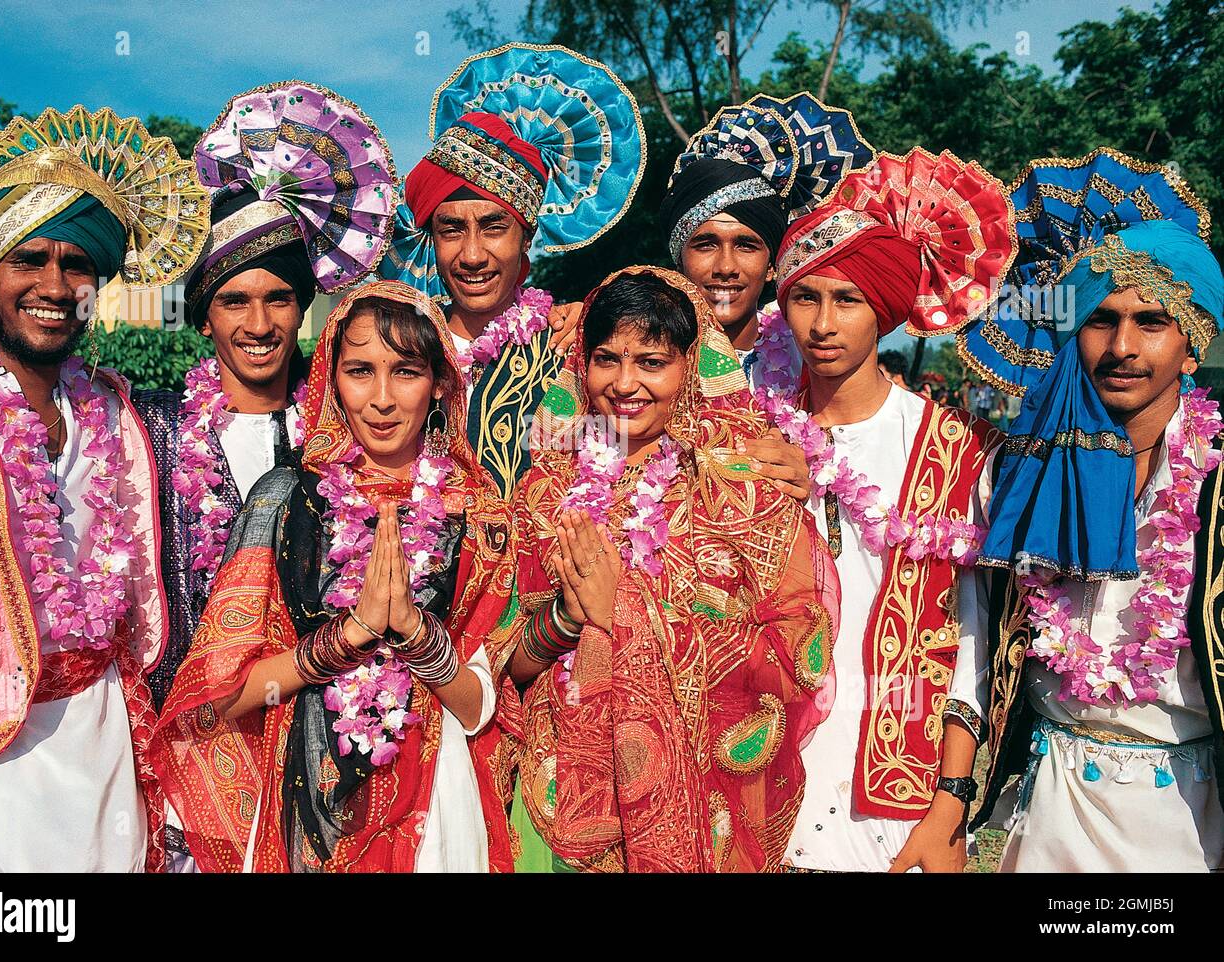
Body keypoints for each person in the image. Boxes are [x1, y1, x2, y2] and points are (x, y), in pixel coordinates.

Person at [0, 108, 209, 871]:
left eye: (78, 264)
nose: (55, 285)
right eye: (30, 259)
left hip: (106, 731)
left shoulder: (114, 409)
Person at [152, 280, 518, 872]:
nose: (381, 399)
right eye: (359, 371)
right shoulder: (284, 501)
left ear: (440, 385)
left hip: (436, 813)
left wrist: (416, 638)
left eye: (405, 372)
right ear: (329, 379)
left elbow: (480, 709)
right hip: (300, 804)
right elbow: (218, 696)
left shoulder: (481, 516)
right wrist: (348, 638)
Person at [504, 266, 840, 872]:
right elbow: (509, 662)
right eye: (606, 359)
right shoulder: (543, 492)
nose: (625, 384)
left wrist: (624, 614)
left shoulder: (741, 487)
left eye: (652, 362)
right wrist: (567, 618)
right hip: (562, 800)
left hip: (703, 801)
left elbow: (792, 652)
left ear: (690, 365)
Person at [955, 148, 1224, 871]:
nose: (1123, 347)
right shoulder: (1018, 475)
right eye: (1101, 320)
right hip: (1048, 810)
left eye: (1153, 323)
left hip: (1189, 819)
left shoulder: (1219, 490)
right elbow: (974, 647)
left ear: (1193, 348)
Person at [768, 147, 1015, 872]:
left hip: (897, 793)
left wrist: (951, 803)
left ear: (886, 310)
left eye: (847, 300)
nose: (822, 322)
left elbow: (972, 639)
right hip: (767, 772)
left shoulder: (955, 446)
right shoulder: (754, 432)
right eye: (805, 297)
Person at [137, 81, 398, 714]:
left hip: (329, 739)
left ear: (303, 307)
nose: (259, 325)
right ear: (202, 317)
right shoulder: (152, 434)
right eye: (234, 302)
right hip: (199, 744)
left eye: (279, 299)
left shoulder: (354, 426)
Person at [379, 42, 646, 499]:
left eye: (493, 227)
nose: (473, 255)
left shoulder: (571, 347)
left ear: (526, 236)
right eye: (451, 230)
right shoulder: (402, 344)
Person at [660, 92, 875, 499]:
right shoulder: (635, 355)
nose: (725, 266)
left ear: (773, 264)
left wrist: (810, 484)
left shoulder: (814, 358)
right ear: (679, 260)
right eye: (705, 244)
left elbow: (862, 476)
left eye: (746, 245)